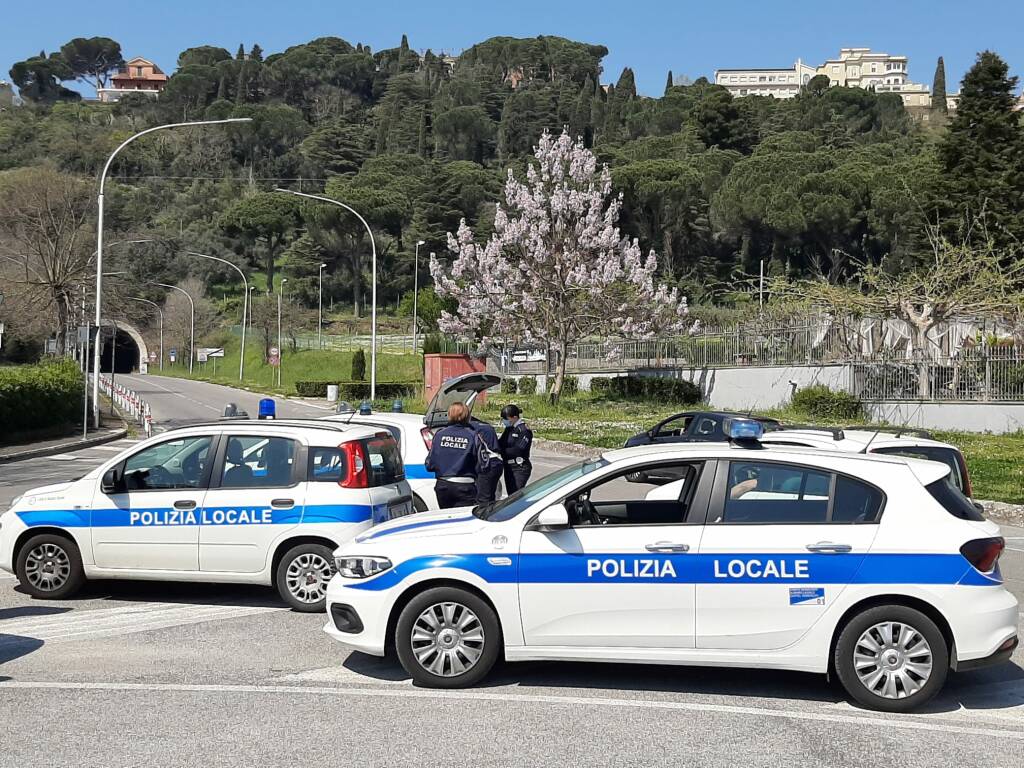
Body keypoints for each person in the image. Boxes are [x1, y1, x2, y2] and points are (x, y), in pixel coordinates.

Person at [425, 402, 478, 509]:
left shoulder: (440, 434)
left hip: (443, 485)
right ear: (467, 416)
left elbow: (430, 463)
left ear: (449, 415)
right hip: (465, 485)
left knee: (447, 519)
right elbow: (483, 463)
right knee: (463, 520)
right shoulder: (472, 435)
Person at [498, 403, 533, 494]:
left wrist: (502, 451)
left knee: (516, 495)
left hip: (519, 467)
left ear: (514, 417)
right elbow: (500, 443)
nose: (504, 421)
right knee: (511, 495)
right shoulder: (509, 428)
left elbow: (518, 450)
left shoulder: (524, 430)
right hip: (508, 466)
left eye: (506, 419)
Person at [471, 417, 504, 504]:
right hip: (496, 462)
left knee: (483, 500)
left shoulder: (471, 428)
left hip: (487, 463)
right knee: (490, 497)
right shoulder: (485, 425)